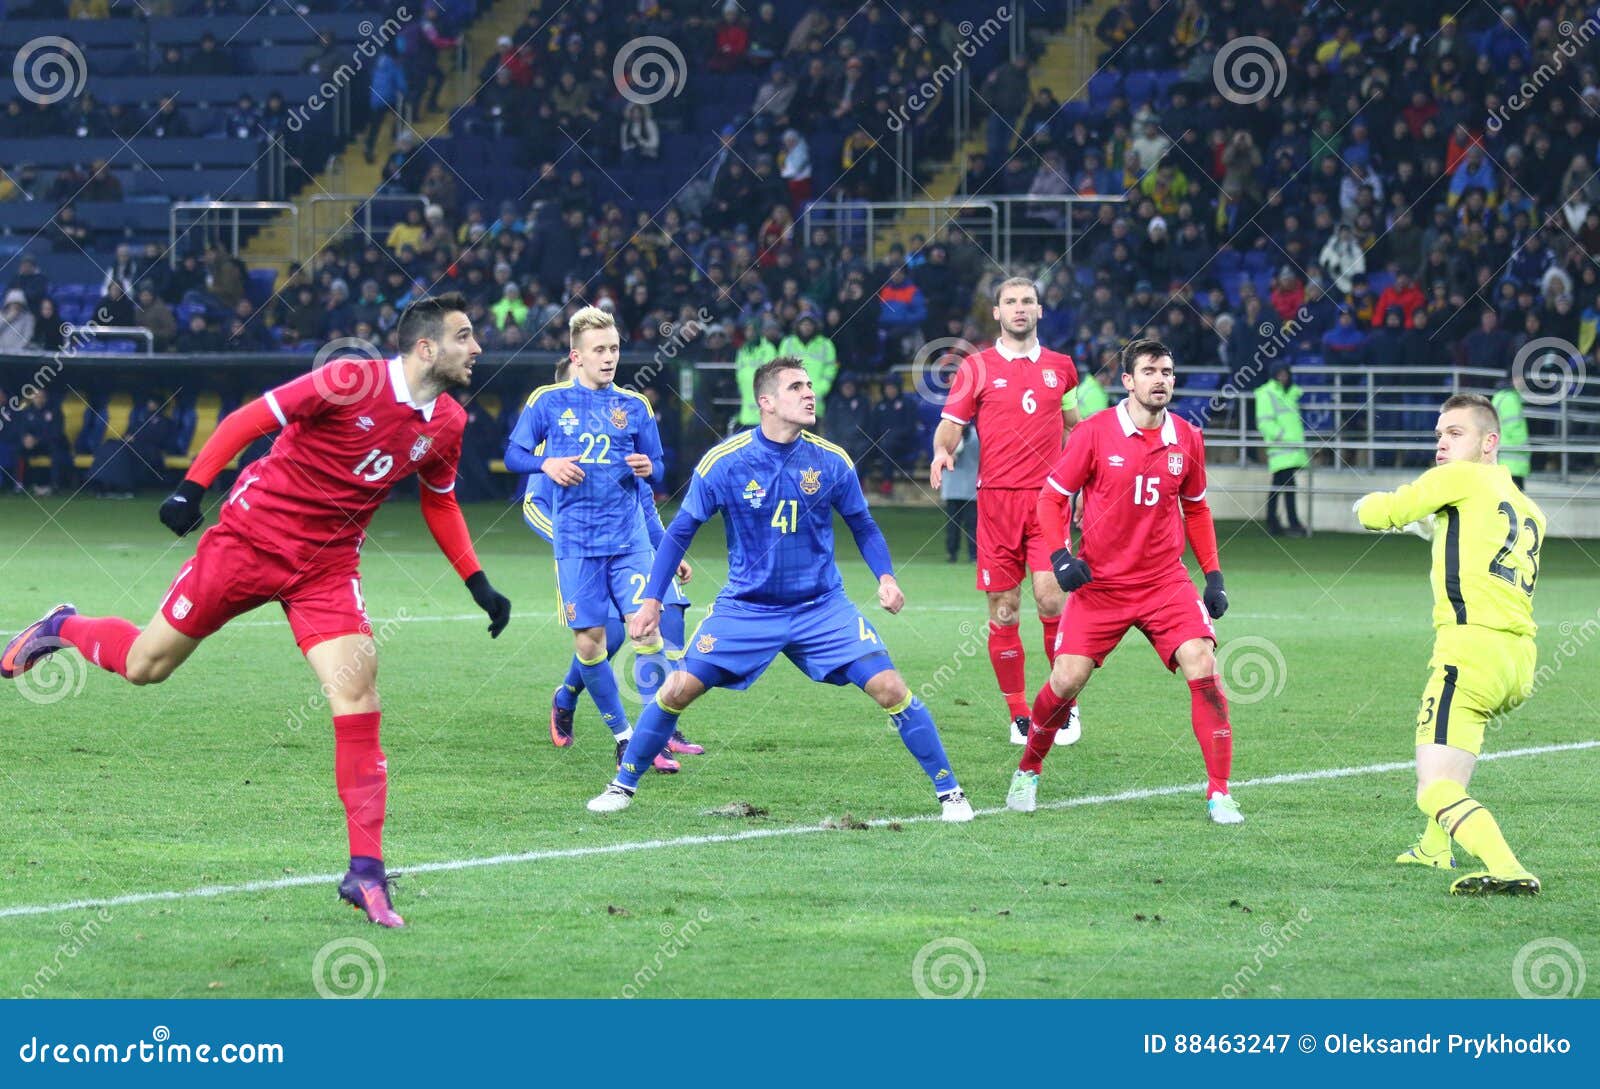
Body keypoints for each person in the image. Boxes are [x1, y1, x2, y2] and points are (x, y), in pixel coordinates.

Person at [1, 294, 514, 928]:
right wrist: (194, 486)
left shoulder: (449, 424)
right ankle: (61, 628)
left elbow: (439, 502)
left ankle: (366, 871)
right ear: (427, 347)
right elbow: (251, 418)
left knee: (357, 692)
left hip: (326, 570)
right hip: (247, 543)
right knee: (145, 665)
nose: (478, 348)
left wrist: (477, 582)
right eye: (466, 336)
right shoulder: (350, 378)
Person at [586, 359, 972, 822]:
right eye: (795, 387)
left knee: (891, 687)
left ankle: (950, 793)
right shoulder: (724, 463)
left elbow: (863, 526)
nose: (809, 393)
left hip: (821, 607)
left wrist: (885, 577)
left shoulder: (831, 460)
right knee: (676, 690)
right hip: (747, 609)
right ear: (765, 402)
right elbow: (679, 532)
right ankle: (622, 785)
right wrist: (651, 599)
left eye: (810, 385)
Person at [1007, 338, 1240, 825]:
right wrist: (1059, 555)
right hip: (1102, 585)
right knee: (1067, 679)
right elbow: (1051, 500)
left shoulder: (1187, 438)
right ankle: (1029, 768)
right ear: (1129, 381)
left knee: (1204, 663)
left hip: (1164, 582)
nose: (1161, 380)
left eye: (1169, 372)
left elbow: (1196, 508)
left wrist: (1213, 575)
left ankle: (1219, 793)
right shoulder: (1093, 434)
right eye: (1150, 371)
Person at [1355, 395, 1545, 895]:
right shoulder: (1527, 508)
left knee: (1431, 787)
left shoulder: (1457, 479)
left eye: (1456, 433)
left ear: (1490, 443)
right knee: (1452, 756)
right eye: (1439, 434)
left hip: (1469, 652)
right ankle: (1434, 847)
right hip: (1518, 659)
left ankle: (1508, 868)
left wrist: (1367, 508)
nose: (1442, 443)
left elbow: (1388, 511)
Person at [503, 307, 672, 771]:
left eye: (615, 348)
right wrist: (546, 464)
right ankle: (622, 734)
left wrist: (648, 468)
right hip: (576, 543)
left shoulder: (636, 406)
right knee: (590, 644)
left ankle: (652, 738)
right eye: (600, 350)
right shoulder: (548, 401)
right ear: (576, 356)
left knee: (647, 630)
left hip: (628, 540)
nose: (610, 357)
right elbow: (513, 453)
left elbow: (657, 467)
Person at [523, 361, 703, 763]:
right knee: (606, 639)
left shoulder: (624, 424)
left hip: (634, 547)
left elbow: (644, 502)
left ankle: (657, 730)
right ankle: (568, 697)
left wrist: (669, 552)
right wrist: (574, 540)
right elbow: (533, 506)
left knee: (664, 619)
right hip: (582, 552)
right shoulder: (553, 434)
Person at [929, 276, 1081, 746]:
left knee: (1053, 599)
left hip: (1048, 501)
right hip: (995, 503)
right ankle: (1020, 714)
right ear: (996, 312)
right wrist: (941, 452)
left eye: (1027, 301)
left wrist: (1088, 481)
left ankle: (1064, 705)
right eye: (1010, 302)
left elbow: (1077, 430)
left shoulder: (1062, 367)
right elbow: (950, 427)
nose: (1020, 308)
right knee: (1005, 610)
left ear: (1040, 310)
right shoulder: (975, 368)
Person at [1255, 365, 1311, 536]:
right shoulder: (1267, 393)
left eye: (1285, 374)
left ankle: (1276, 522)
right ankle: (1290, 523)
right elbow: (1264, 422)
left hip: (1292, 448)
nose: (1283, 377)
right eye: (1279, 373)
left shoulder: (1291, 393)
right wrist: (1283, 437)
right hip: (1281, 447)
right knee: (1285, 485)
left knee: (1281, 485)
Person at [941, 424, 978, 563]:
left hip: (967, 488)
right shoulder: (947, 435)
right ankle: (956, 554)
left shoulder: (974, 435)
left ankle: (969, 554)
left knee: (969, 524)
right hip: (957, 487)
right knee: (958, 525)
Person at [1491, 384, 1529, 489]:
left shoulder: (1500, 396)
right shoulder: (1510, 399)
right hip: (1513, 462)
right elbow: (1514, 428)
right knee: (1515, 501)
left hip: (1502, 460)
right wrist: (1526, 447)